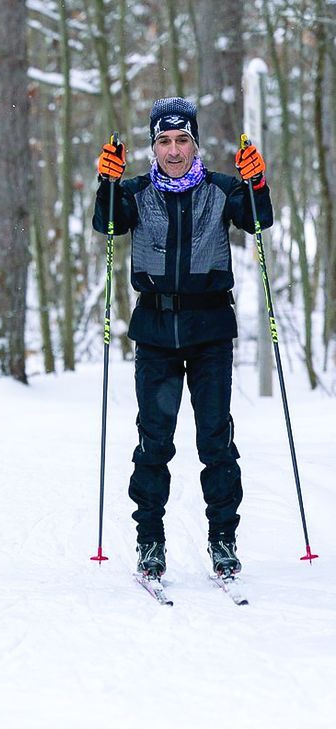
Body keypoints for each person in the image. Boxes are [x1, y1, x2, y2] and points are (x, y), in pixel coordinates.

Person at [92, 97, 273, 580]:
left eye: (182, 140)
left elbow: (258, 219)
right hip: (155, 334)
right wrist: (107, 183)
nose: (174, 150)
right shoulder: (135, 193)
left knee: (216, 442)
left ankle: (223, 539)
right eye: (164, 141)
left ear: (195, 143)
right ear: (153, 146)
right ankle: (150, 541)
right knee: (154, 443)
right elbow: (106, 223)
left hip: (210, 331)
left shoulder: (221, 189)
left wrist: (256, 182)